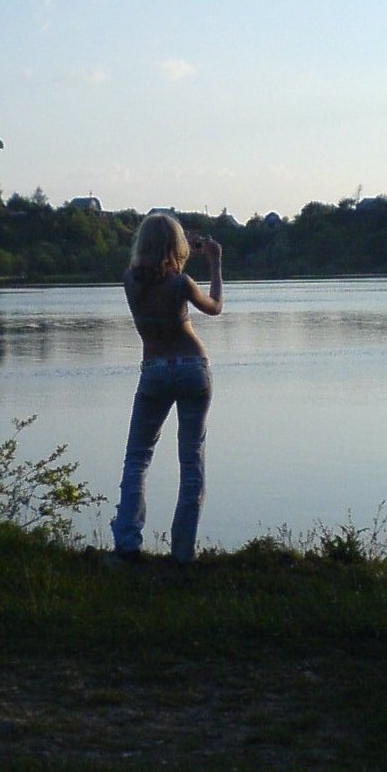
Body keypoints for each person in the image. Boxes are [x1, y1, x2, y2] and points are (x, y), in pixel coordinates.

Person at [111, 213, 223, 563]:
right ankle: (182, 552)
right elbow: (215, 307)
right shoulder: (182, 284)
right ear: (177, 246)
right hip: (192, 368)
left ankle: (128, 543)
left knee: (137, 458)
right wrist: (215, 263)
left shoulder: (129, 281)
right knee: (191, 461)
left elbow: (151, 275)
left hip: (154, 370)